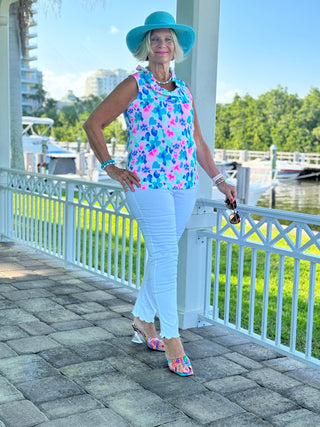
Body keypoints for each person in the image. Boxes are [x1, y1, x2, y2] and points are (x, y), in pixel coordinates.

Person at [83, 11, 237, 376]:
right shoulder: (134, 84)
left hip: (183, 184)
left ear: (176, 47)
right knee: (167, 254)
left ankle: (141, 318)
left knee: (161, 254)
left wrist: (218, 180)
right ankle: (172, 338)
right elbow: (93, 124)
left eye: (169, 40)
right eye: (156, 40)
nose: (163, 46)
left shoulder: (183, 91)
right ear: (145, 47)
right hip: (146, 183)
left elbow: (197, 141)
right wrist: (110, 167)